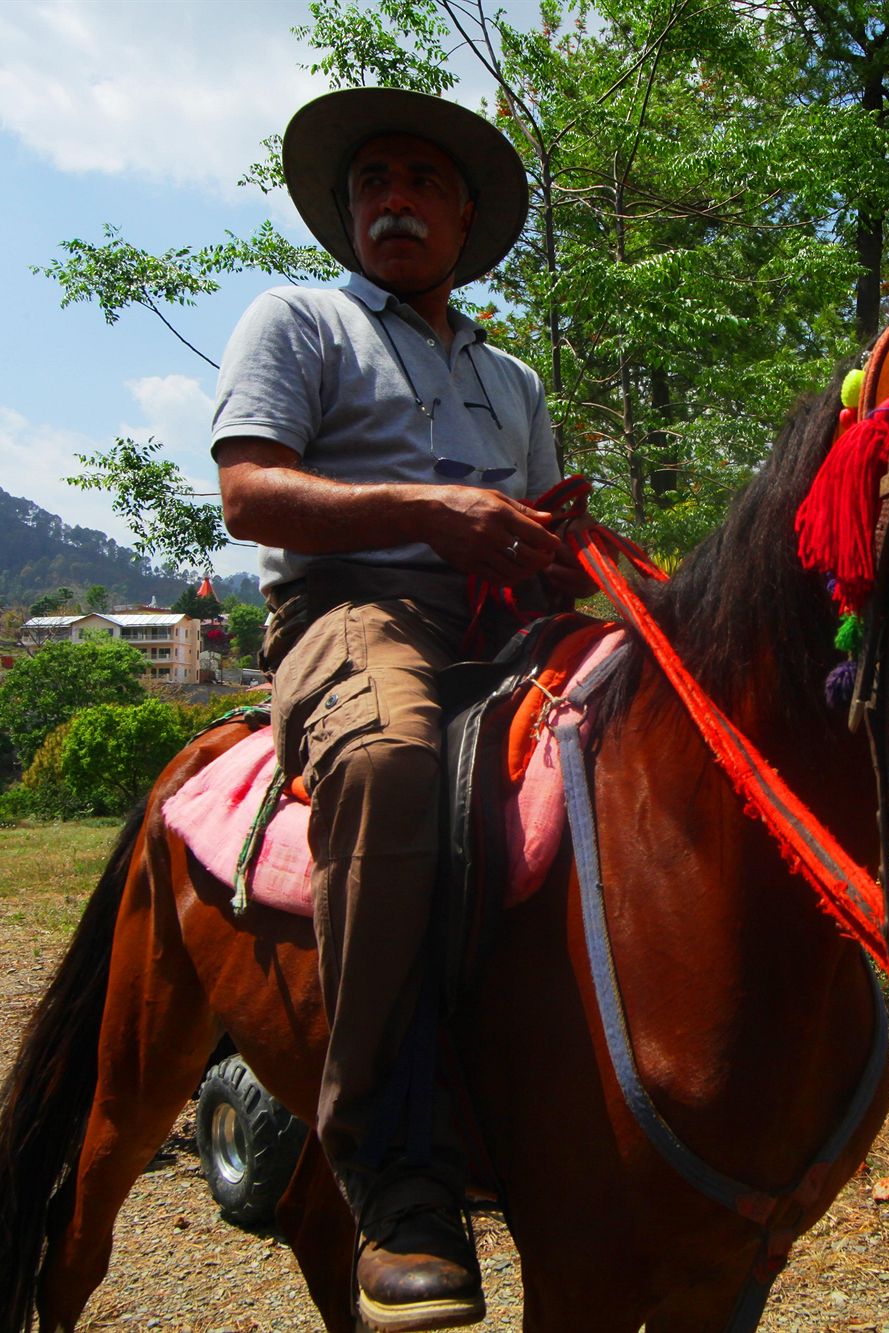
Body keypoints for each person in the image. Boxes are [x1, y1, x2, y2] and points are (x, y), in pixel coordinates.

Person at [210, 87, 584, 1332]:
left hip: (496, 621)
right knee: (388, 759)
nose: (394, 200)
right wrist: (429, 514)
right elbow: (251, 495)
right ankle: (388, 1160)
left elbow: (524, 539)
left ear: (462, 216)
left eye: (421, 181)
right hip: (350, 612)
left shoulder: (511, 377)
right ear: (347, 211)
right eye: (373, 181)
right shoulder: (299, 319)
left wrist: (549, 542)